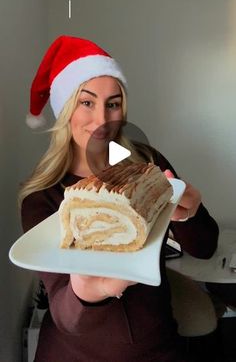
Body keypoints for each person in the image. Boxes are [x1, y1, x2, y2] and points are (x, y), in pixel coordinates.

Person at [19, 35, 219, 362]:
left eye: (112, 103)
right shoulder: (44, 197)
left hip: (157, 348)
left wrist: (190, 213)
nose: (102, 119)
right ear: (65, 108)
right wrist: (89, 289)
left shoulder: (144, 163)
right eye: (87, 102)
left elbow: (205, 247)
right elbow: (65, 316)